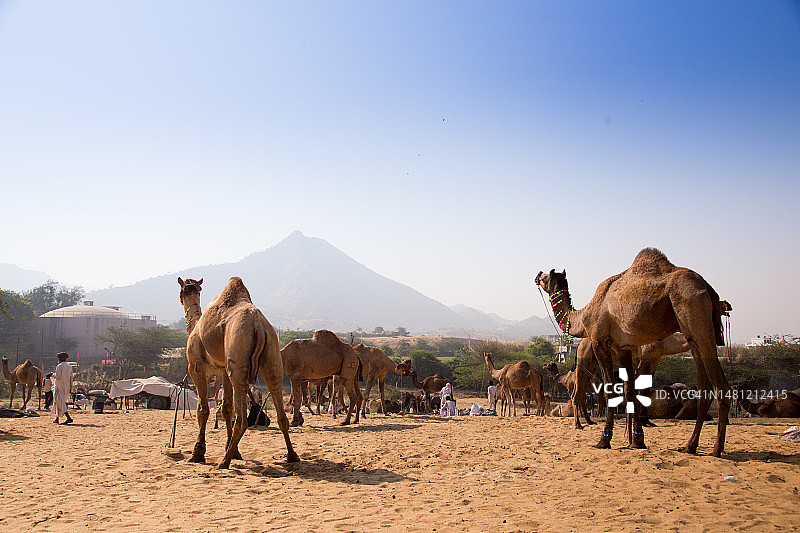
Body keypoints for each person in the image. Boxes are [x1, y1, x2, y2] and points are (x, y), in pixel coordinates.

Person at [52, 352, 73, 424]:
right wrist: (71, 387)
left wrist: (52, 374)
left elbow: (58, 376)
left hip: (59, 386)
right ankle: (57, 418)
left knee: (60, 402)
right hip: (66, 386)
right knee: (59, 402)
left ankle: (68, 417)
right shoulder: (69, 366)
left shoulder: (59, 366)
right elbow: (71, 378)